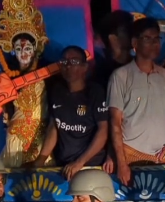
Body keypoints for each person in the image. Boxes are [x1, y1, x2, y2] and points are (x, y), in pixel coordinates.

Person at [107, 17, 165, 185]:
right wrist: (122, 164)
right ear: (134, 43)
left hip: (163, 158)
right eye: (148, 39)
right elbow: (115, 123)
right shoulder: (120, 76)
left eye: (157, 39)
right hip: (131, 157)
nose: (154, 44)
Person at [32, 45, 110, 178]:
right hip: (64, 164)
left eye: (74, 62)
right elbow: (54, 126)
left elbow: (103, 131)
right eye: (64, 62)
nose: (68, 66)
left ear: (85, 67)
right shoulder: (57, 91)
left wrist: (80, 162)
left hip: (90, 164)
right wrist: (41, 159)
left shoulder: (95, 92)